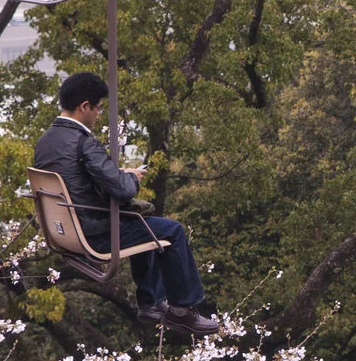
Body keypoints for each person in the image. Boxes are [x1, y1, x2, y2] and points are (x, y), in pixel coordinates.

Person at [32, 70, 221, 336]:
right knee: (172, 231)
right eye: (97, 109)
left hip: (65, 232)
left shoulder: (46, 141)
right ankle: (182, 311)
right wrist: (131, 177)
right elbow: (121, 190)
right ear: (84, 107)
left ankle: (151, 303)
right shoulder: (83, 143)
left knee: (141, 222)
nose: (98, 115)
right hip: (93, 234)